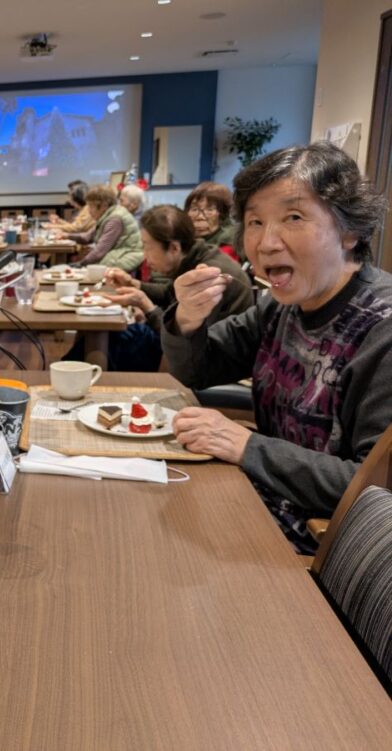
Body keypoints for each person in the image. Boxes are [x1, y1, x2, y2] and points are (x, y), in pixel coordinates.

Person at [162, 142, 392, 553]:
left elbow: (375, 490)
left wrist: (247, 445)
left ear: (350, 230)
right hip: (251, 503)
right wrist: (189, 317)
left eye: (293, 217)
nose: (266, 243)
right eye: (255, 222)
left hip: (314, 552)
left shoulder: (382, 329)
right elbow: (198, 370)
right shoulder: (281, 306)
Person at [102, 205, 252, 371]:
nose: (144, 255)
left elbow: (186, 338)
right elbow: (168, 293)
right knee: (116, 334)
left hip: (211, 364)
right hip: (195, 352)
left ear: (174, 248)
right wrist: (133, 283)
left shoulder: (207, 274)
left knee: (116, 341)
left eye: (147, 246)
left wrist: (147, 307)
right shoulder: (195, 256)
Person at [59, 184, 143, 272]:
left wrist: (80, 264)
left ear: (103, 206)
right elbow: (87, 237)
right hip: (118, 256)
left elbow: (100, 251)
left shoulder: (114, 220)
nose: (89, 210)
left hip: (124, 258)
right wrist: (67, 235)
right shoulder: (108, 215)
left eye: (91, 206)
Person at [184, 182, 240, 261]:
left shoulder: (228, 243)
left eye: (209, 210)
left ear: (224, 215)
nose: (200, 217)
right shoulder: (183, 238)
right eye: (194, 209)